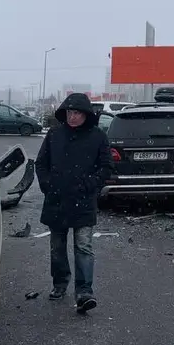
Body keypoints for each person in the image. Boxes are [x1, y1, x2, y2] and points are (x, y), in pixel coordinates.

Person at [34, 93, 113, 312]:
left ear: (86, 115)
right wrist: (48, 185)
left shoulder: (97, 136)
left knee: (83, 246)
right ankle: (60, 283)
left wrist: (90, 184)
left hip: (83, 201)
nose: (72, 117)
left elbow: (106, 167)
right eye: (69, 112)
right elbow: (41, 164)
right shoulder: (54, 134)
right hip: (57, 200)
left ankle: (85, 291)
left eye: (77, 112)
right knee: (57, 247)